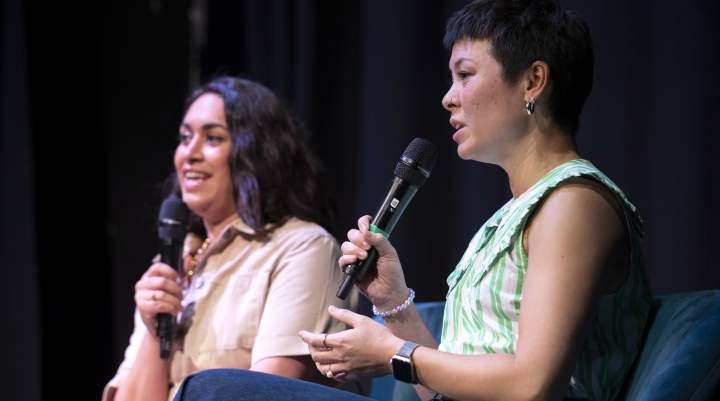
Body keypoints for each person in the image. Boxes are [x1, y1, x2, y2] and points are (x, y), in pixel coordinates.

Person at [171, 1, 652, 401]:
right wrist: (394, 302)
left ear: (532, 81)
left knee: (220, 392)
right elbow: (438, 393)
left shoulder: (574, 203)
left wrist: (390, 354)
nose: (448, 97)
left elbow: (532, 384)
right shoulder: (514, 214)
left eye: (465, 75)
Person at [102, 76, 361, 401]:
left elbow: (263, 395)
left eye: (212, 138)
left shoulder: (303, 249)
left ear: (258, 152)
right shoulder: (170, 262)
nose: (189, 154)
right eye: (184, 138)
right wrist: (155, 334)